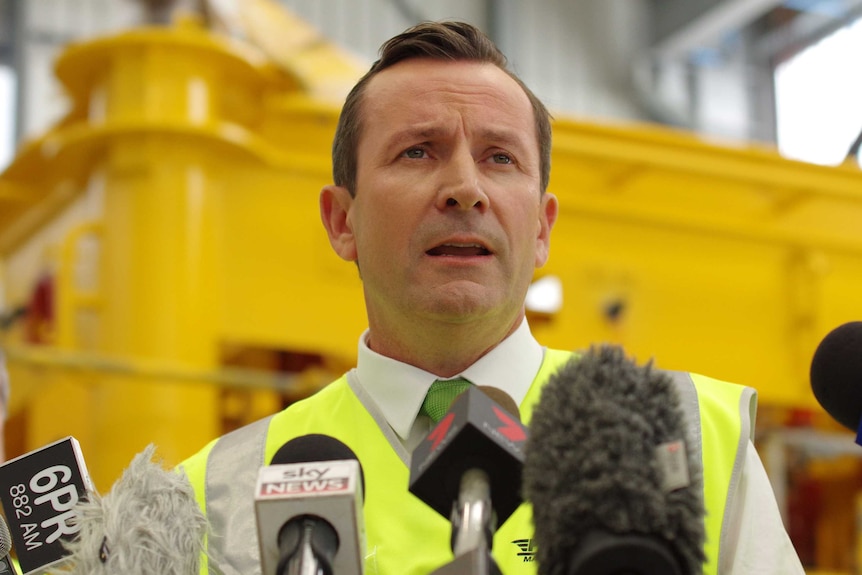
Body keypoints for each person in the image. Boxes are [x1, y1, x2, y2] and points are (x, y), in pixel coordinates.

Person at [179, 20, 804, 575]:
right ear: (342, 221)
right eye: (417, 151)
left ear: (541, 228)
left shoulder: (689, 437)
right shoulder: (214, 494)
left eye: (500, 158)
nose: (464, 189)